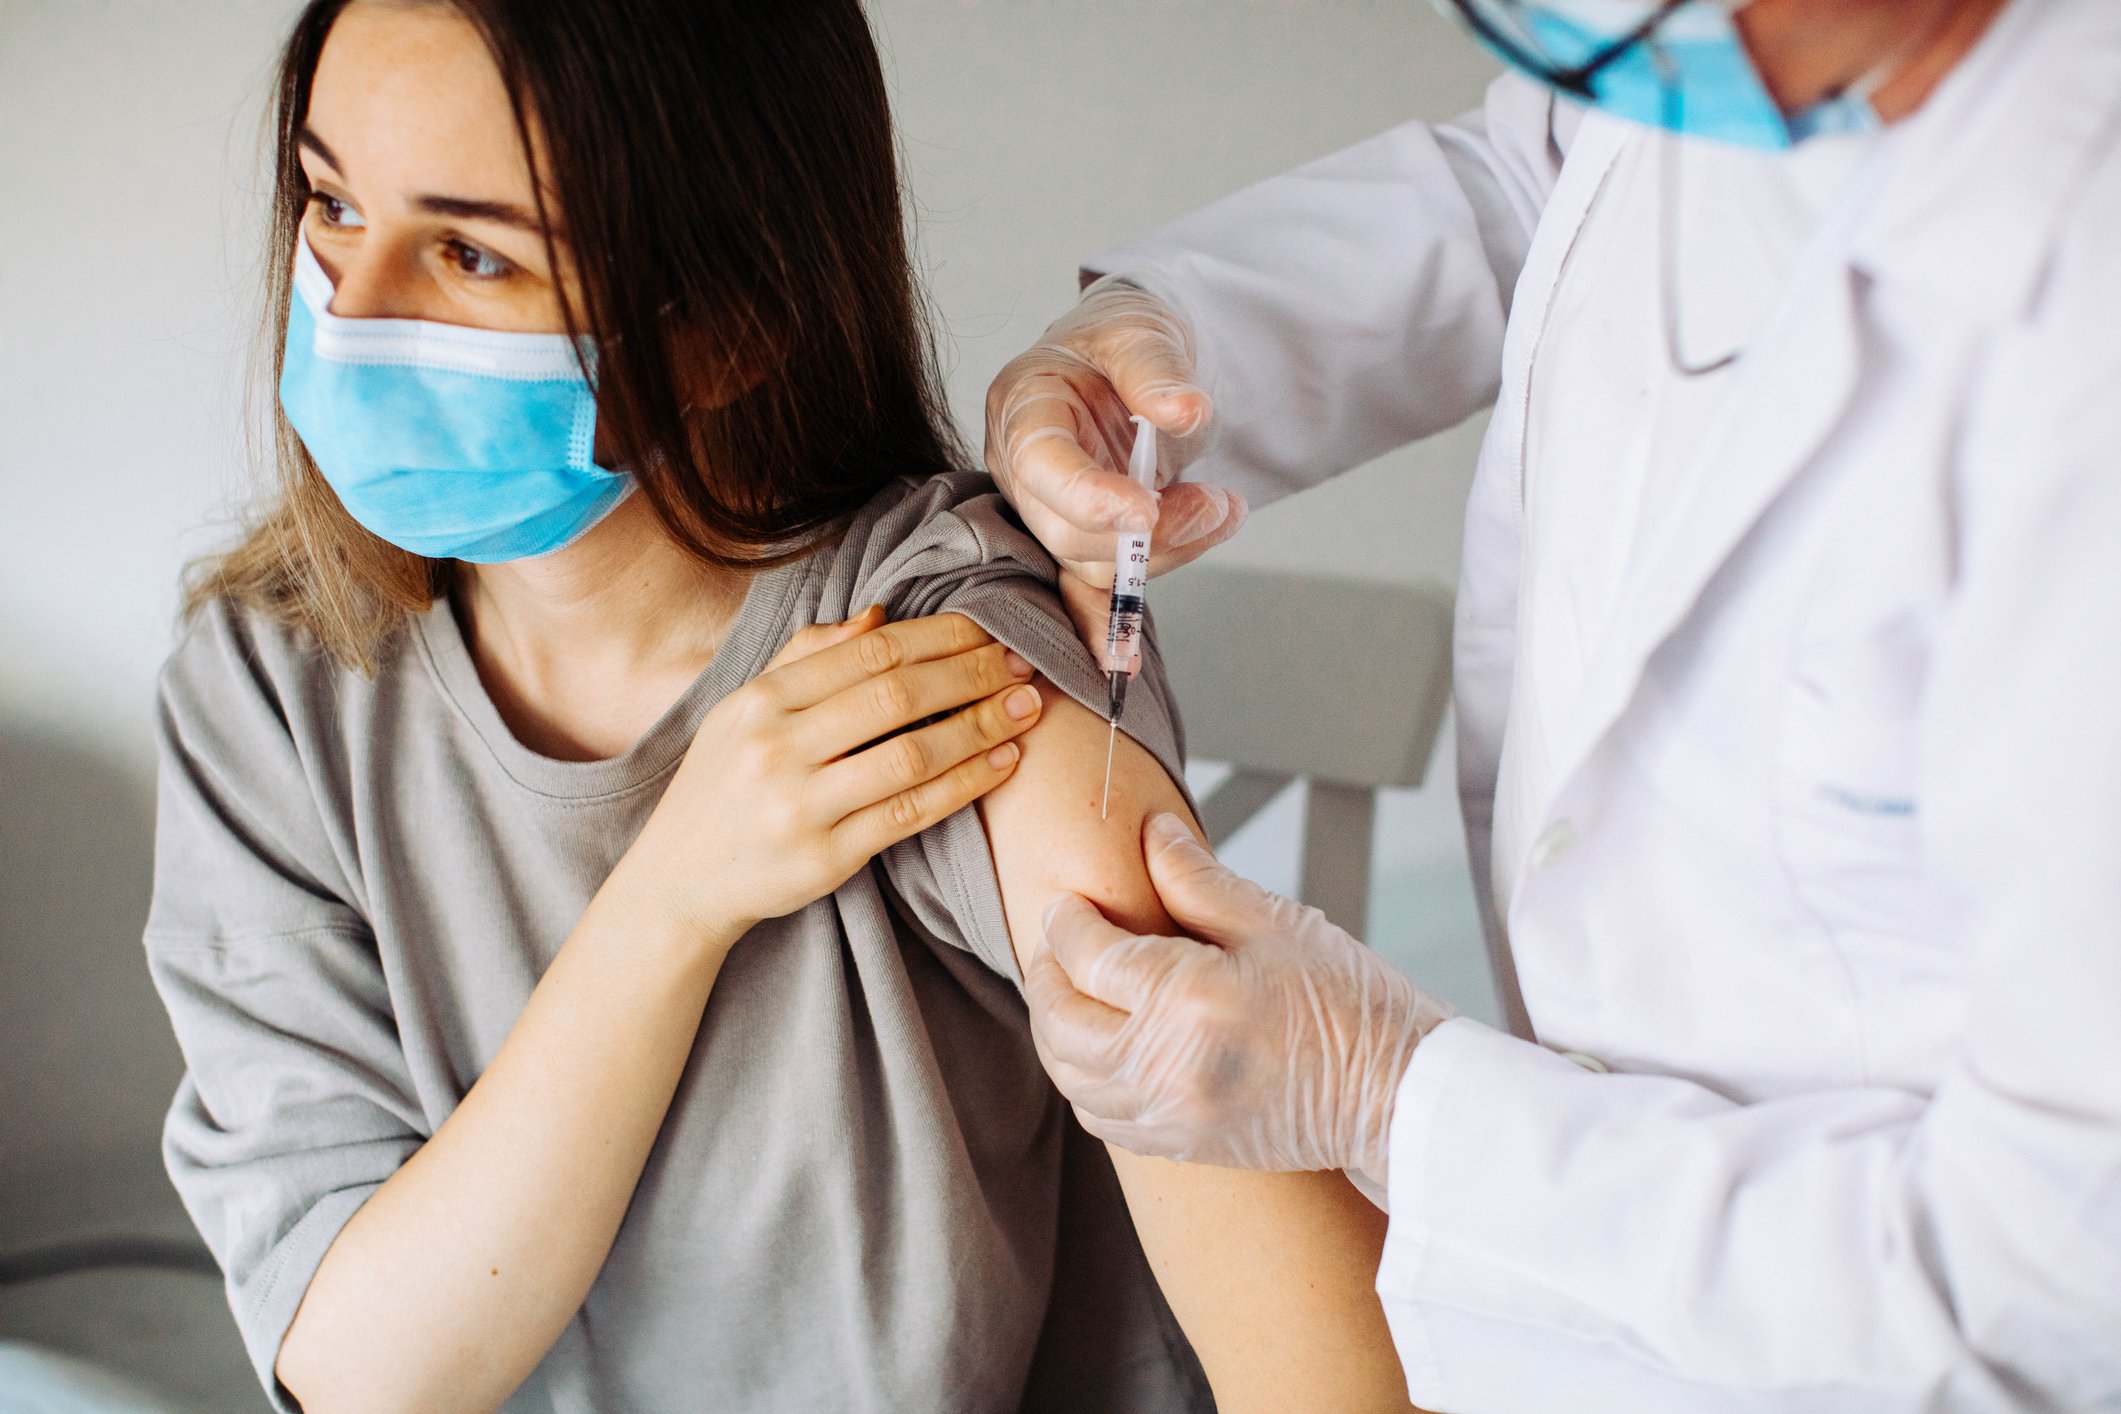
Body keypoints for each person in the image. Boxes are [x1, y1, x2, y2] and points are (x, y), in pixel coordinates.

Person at [143, 2, 1419, 1410]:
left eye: (470, 251)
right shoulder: (267, 682)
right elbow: (364, 1373)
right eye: (331, 201)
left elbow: (1328, 1377)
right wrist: (671, 898)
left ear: (734, 324)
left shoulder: (941, 657)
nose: (350, 308)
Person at [988, 0, 2121, 1407]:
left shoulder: (2078, 348)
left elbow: (2045, 1298)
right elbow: (1554, 173)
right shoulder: (1722, 59)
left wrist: (1391, 1098)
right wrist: (1169, 338)